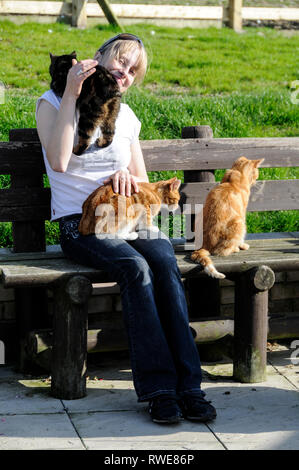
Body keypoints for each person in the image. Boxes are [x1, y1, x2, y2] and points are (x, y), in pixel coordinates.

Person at [36, 33, 216, 424]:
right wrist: (71, 91)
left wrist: (127, 177)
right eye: (121, 60)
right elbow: (59, 160)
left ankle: (190, 387)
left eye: (134, 70)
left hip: (129, 217)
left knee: (165, 261)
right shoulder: (50, 104)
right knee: (135, 267)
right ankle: (159, 390)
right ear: (99, 56)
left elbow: (144, 181)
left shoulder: (126, 116)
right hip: (80, 224)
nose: (126, 72)